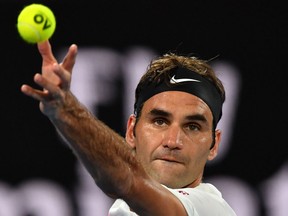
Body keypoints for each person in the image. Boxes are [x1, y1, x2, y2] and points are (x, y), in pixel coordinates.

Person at [21, 40, 237, 216]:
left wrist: (67, 110)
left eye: (192, 126)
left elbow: (128, 180)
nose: (173, 141)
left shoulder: (210, 209)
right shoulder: (124, 210)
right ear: (132, 130)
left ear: (213, 144)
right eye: (160, 121)